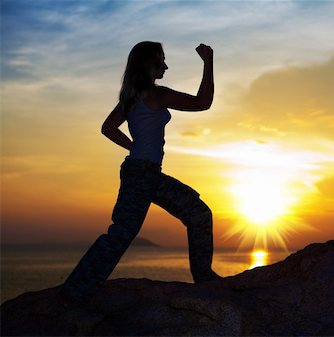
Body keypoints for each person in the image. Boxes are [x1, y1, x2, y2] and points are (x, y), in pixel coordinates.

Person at [59, 41, 222, 306]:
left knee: (186, 215)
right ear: (149, 64)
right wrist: (208, 62)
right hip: (143, 174)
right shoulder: (156, 94)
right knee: (133, 230)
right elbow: (203, 103)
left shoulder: (131, 97)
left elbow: (108, 128)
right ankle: (75, 292)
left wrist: (135, 147)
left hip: (142, 172)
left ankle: (76, 290)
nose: (166, 66)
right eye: (162, 61)